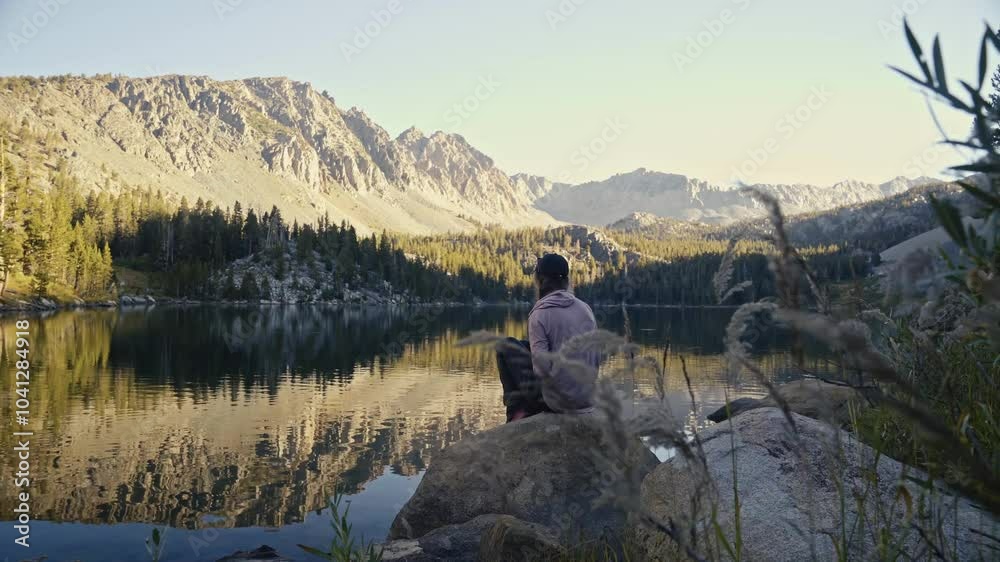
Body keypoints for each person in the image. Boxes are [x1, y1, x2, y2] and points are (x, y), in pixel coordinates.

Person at [496, 253, 599, 422]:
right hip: (587, 399)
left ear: (540, 280)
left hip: (558, 403)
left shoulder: (540, 314)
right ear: (566, 280)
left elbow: (541, 370)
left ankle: (515, 415)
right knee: (523, 345)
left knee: (505, 346)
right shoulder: (585, 309)